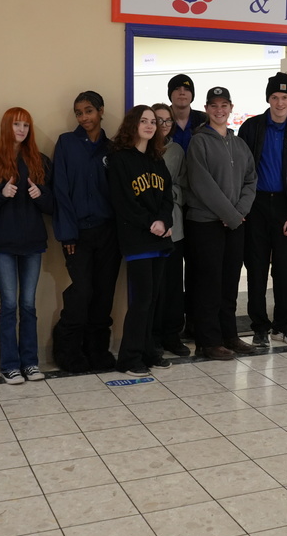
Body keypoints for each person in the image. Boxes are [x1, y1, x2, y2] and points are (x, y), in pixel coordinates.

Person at [0, 107, 54, 384]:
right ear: (6, 127)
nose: (21, 130)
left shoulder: (40, 161)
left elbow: (54, 204)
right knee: (8, 305)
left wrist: (40, 195)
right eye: (16, 124)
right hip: (3, 244)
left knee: (28, 305)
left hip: (33, 244)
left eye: (26, 125)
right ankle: (9, 365)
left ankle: (30, 363)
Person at [238, 72, 287, 347]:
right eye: (274, 97)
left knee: (285, 270)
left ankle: (283, 325)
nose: (279, 103)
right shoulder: (251, 127)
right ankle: (259, 326)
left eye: (284, 97)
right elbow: (240, 171)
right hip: (255, 205)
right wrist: (241, 207)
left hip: (285, 207)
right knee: (256, 269)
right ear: (268, 99)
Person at [185, 86, 257, 360]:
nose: (219, 110)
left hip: (235, 224)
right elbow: (202, 184)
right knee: (208, 284)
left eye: (224, 105)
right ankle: (208, 341)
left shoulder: (239, 144)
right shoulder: (198, 142)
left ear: (230, 108)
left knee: (229, 283)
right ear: (206, 109)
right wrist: (230, 215)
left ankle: (229, 335)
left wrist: (239, 212)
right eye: (214, 105)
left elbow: (252, 179)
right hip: (206, 224)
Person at [51, 91, 120, 373]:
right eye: (79, 112)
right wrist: (67, 233)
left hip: (108, 233)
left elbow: (118, 194)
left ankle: (97, 351)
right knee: (82, 293)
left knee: (103, 295)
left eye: (89, 111)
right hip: (77, 234)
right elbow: (60, 190)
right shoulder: (67, 143)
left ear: (101, 111)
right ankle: (68, 352)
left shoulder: (113, 149)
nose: (84, 117)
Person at [107, 105, 175, 376]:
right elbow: (123, 202)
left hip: (159, 239)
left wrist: (164, 221)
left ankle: (149, 351)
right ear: (133, 124)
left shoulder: (157, 158)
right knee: (142, 300)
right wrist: (151, 223)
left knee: (154, 299)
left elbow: (168, 196)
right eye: (144, 121)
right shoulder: (120, 158)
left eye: (153, 122)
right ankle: (129, 358)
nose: (149, 125)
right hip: (137, 240)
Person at [150, 103, 190, 356]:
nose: (163, 126)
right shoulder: (139, 149)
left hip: (174, 228)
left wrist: (163, 191)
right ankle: (152, 336)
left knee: (174, 285)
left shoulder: (176, 151)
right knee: (153, 287)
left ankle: (172, 336)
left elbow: (185, 188)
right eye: (157, 120)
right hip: (148, 229)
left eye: (167, 121)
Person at [167, 73, 207, 152]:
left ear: (192, 95)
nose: (182, 92)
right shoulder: (159, 120)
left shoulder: (204, 120)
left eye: (187, 89)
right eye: (177, 88)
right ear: (170, 94)